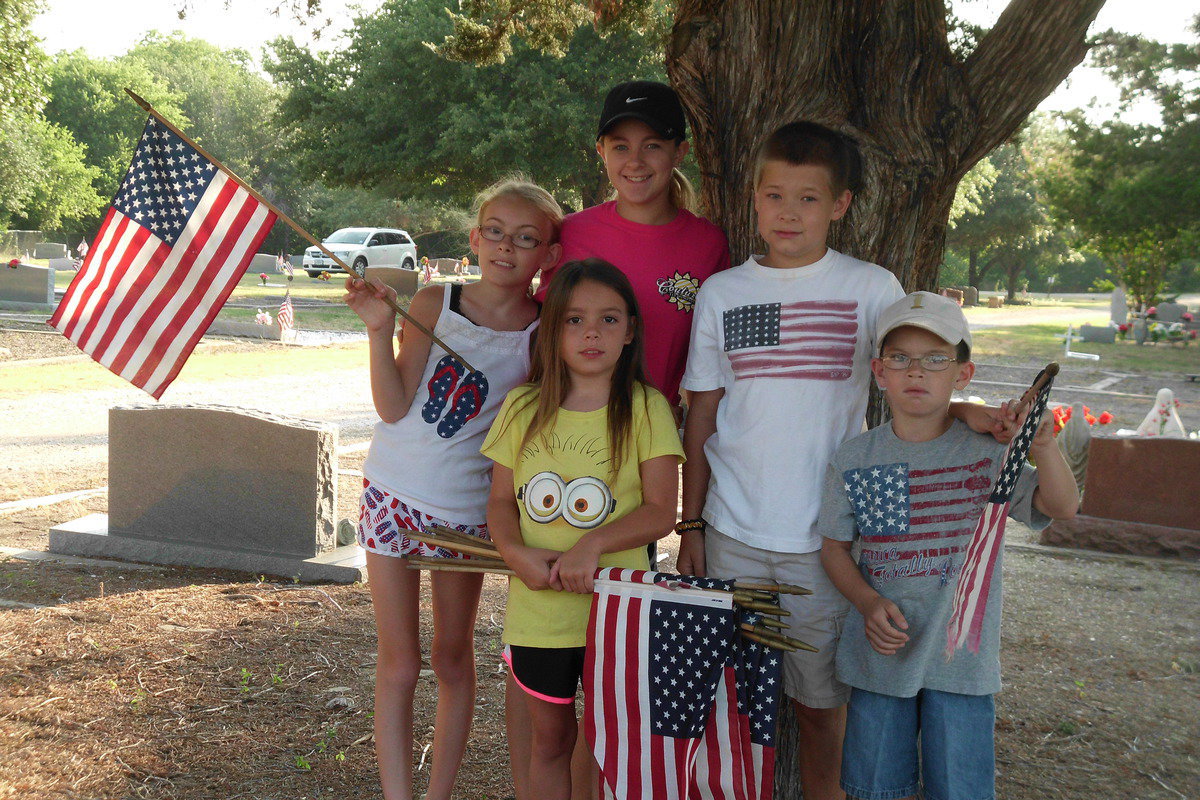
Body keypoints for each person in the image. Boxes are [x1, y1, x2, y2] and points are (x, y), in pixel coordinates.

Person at [677, 122, 1009, 800]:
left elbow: (914, 378)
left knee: (821, 703)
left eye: (807, 198)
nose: (788, 213)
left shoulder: (869, 287)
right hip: (732, 530)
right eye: (774, 196)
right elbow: (703, 418)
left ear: (841, 205)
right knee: (735, 703)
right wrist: (690, 526)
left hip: (827, 543)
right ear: (753, 199)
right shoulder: (722, 293)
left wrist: (972, 415)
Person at [345, 177, 563, 800]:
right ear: (474, 238)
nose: (506, 247)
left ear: (547, 255)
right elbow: (392, 406)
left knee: (450, 656)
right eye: (494, 232)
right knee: (401, 661)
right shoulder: (435, 302)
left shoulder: (543, 332)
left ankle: (438, 792)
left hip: (465, 514)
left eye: (526, 239)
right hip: (392, 495)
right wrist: (377, 331)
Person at [819, 291, 1078, 800]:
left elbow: (1062, 507)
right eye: (901, 358)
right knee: (875, 789)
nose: (917, 372)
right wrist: (867, 602)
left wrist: (1044, 445)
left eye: (936, 359)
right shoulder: (855, 457)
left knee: (959, 789)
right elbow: (833, 549)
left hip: (963, 666)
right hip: (880, 660)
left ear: (963, 373)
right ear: (878, 370)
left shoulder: (986, 453)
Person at [482, 259, 683, 800]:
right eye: (574, 320)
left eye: (609, 319)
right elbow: (501, 502)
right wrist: (514, 552)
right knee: (548, 742)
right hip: (539, 614)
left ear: (631, 330)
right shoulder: (523, 407)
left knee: (607, 744)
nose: (591, 332)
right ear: (552, 330)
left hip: (617, 613)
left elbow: (662, 509)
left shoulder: (646, 408)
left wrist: (593, 544)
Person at [536, 80, 729, 410]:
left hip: (652, 434)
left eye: (652, 145)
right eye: (621, 147)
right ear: (602, 152)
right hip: (566, 429)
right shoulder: (569, 233)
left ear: (679, 152)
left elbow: (709, 360)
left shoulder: (708, 244)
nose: (635, 161)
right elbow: (535, 330)